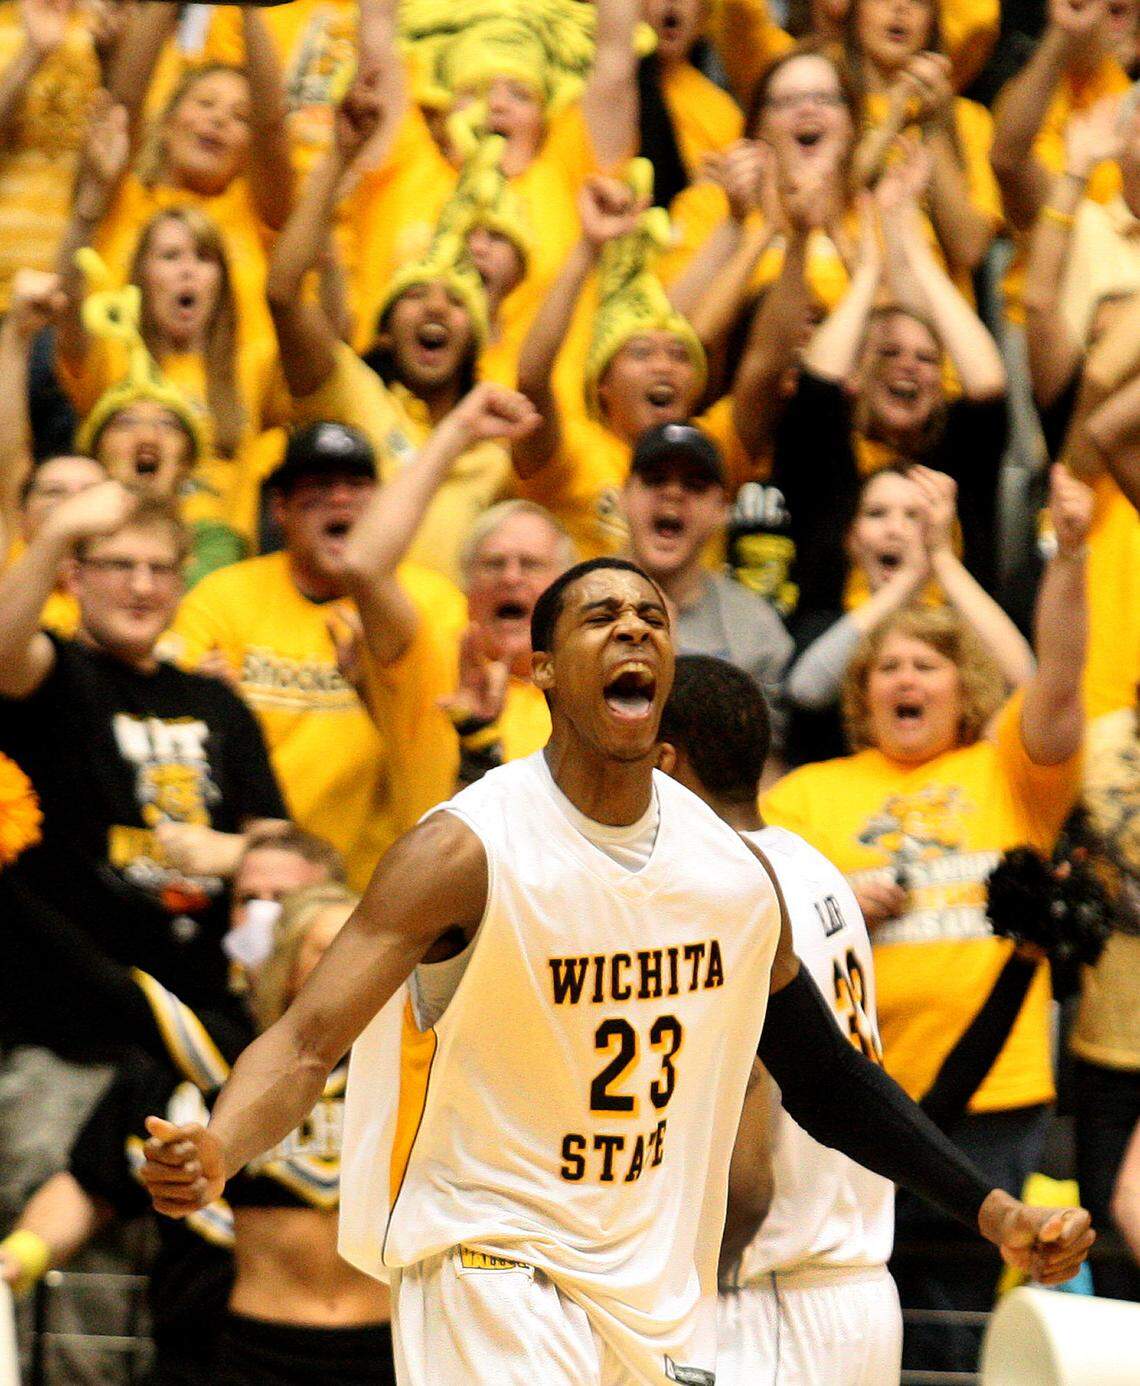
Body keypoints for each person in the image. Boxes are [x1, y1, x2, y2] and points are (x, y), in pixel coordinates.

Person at [141, 557, 1093, 1386]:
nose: (634, 627)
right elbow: (308, 1042)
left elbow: (828, 1075)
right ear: (544, 669)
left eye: (652, 619)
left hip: (646, 1287)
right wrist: (223, 1144)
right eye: (601, 617)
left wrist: (990, 1206)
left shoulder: (729, 873)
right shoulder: (464, 851)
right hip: (491, 1261)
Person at [761, 465, 1093, 1372]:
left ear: (964, 685)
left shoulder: (1007, 771)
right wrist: (835, 907)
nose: (906, 678)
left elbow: (1059, 681)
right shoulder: (804, 795)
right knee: (845, 1305)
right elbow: (756, 927)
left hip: (995, 1099)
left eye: (929, 664)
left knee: (952, 1321)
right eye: (889, 667)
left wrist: (1065, 558)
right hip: (849, 1101)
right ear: (865, 696)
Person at [163, 385, 537, 891]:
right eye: (317, 487)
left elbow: (368, 569)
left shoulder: (428, 600)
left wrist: (374, 687)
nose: (339, 499)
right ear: (281, 510)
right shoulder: (224, 597)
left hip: (372, 887)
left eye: (358, 486)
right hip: (250, 884)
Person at [657, 654, 899, 1386]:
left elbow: (750, 1160)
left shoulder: (723, 891)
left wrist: (699, 1284)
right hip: (856, 1290)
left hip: (764, 1294)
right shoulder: (817, 868)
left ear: (663, 761)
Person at [783, 464, 1033, 765]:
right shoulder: (824, 626)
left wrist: (942, 556)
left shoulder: (961, 631)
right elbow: (807, 690)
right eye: (877, 514)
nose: (895, 529)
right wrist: (905, 581)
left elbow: (1024, 680)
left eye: (914, 516)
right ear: (852, 538)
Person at [622, 422, 793, 757]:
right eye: (655, 480)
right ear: (625, 494)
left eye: (695, 486)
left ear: (721, 509)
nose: (673, 494)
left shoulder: (756, 629)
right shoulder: (574, 604)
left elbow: (760, 768)